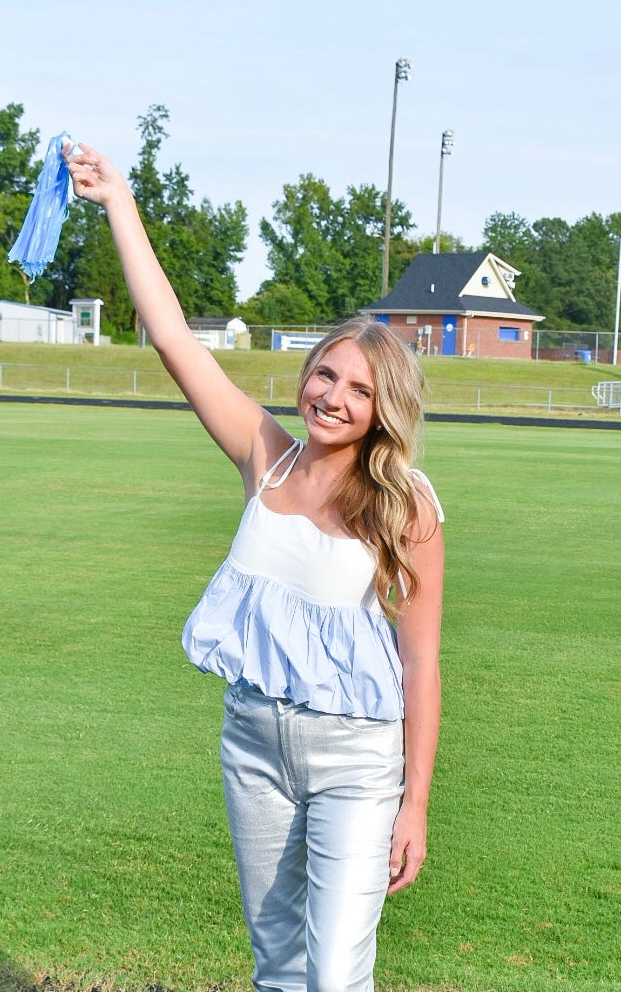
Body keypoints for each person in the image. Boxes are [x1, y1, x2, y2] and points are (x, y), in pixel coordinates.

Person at [64, 143, 445, 992]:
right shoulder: (262, 455)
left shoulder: (404, 504)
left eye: (358, 389)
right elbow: (170, 336)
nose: (332, 396)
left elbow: (420, 659)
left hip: (357, 759)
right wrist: (118, 199)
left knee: (336, 971)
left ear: (383, 411)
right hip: (253, 744)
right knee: (278, 963)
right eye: (325, 373)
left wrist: (414, 801)